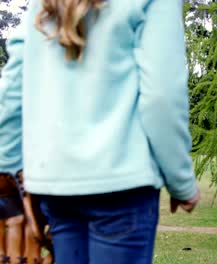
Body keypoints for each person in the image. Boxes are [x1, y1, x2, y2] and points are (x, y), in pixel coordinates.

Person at [0, 1, 200, 264]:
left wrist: (8, 175)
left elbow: (12, 91)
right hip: (122, 188)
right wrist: (181, 182)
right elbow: (162, 98)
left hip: (56, 185)